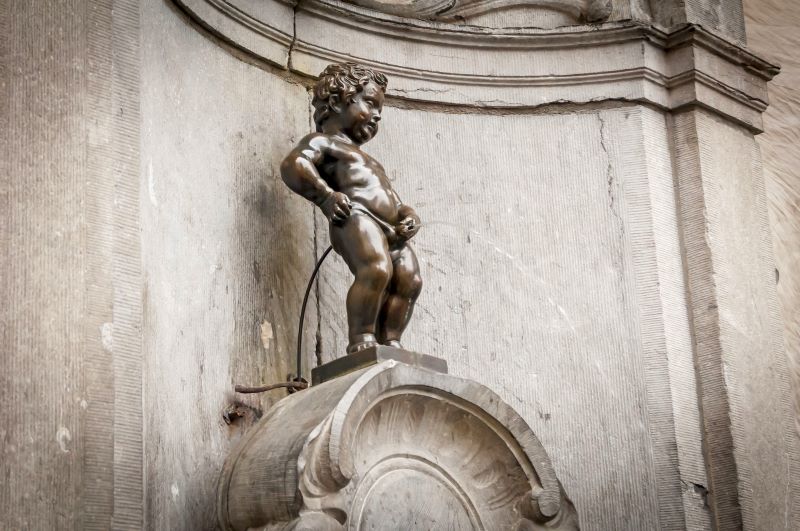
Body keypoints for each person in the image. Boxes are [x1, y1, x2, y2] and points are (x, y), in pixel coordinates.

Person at [281, 63, 423, 355]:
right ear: (336, 101)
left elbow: (394, 199)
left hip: (393, 230)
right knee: (376, 269)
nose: (377, 114)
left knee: (409, 280)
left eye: (379, 109)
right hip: (355, 216)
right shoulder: (323, 143)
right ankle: (362, 338)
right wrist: (325, 197)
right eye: (370, 103)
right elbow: (294, 165)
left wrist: (409, 216)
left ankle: (391, 341)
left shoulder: (371, 161)